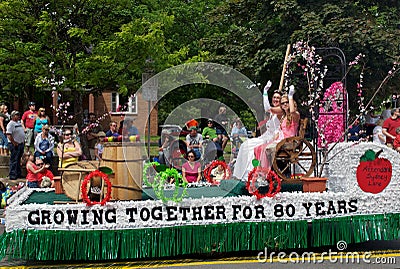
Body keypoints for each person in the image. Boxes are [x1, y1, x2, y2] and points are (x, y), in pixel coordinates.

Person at [233, 81, 283, 180]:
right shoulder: (273, 111)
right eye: (274, 97)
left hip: (274, 138)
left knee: (251, 148)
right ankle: (242, 174)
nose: (275, 99)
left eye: (278, 98)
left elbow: (267, 108)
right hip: (266, 136)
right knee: (245, 145)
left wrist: (265, 93)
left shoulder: (280, 110)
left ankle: (251, 174)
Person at [254, 87, 300, 169]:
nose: (285, 104)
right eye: (282, 103)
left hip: (289, 142)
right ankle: (260, 170)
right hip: (282, 141)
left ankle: (268, 170)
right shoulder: (284, 117)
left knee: (266, 149)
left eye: (286, 102)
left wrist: (290, 96)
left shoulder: (295, 115)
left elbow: (292, 111)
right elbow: (279, 131)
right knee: (258, 148)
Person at [6, 111, 25, 180]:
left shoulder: (18, 123)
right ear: (13, 116)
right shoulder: (10, 124)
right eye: (16, 115)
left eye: (18, 115)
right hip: (14, 145)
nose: (18, 116)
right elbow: (8, 134)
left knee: (18, 159)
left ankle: (18, 173)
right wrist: (14, 142)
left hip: (20, 144)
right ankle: (12, 174)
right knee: (14, 160)